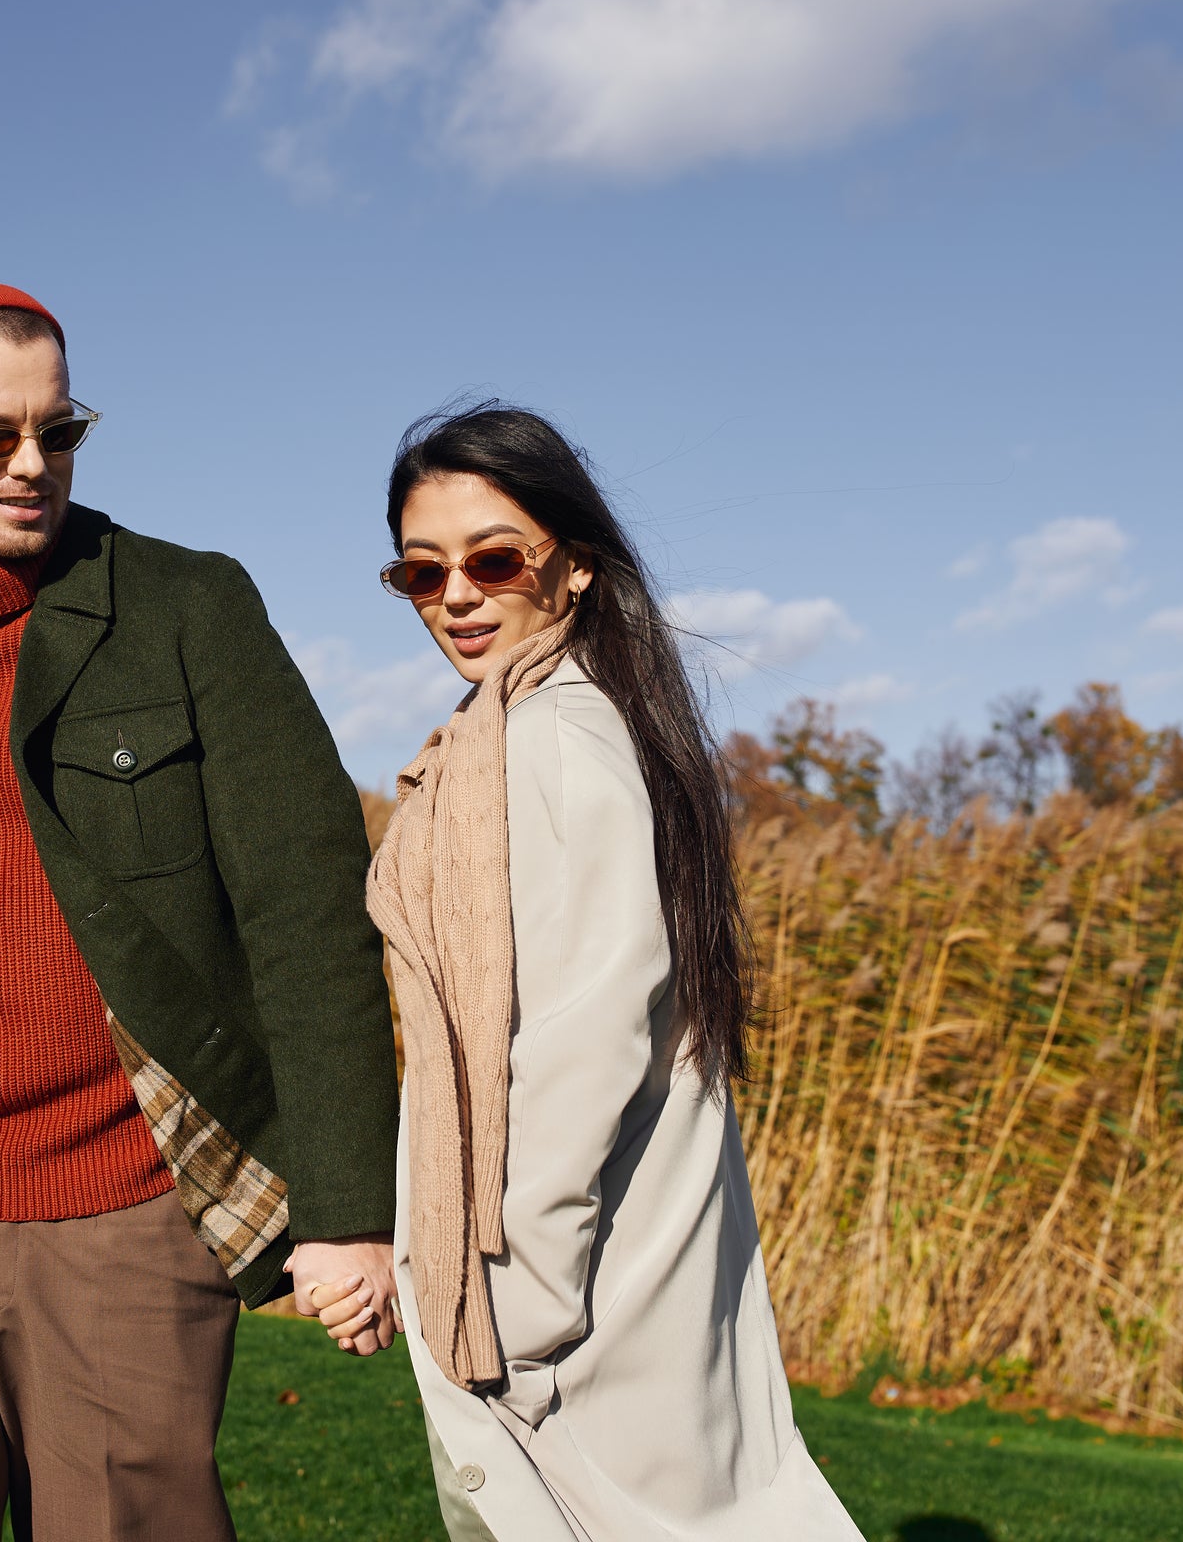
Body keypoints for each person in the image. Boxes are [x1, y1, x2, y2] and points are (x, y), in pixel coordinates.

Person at [0, 279, 401, 1542]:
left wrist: (348, 1207)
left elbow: (308, 916)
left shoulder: (186, 607)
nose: (32, 462)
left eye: (61, 427)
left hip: (126, 1219)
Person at [319, 402, 863, 1539]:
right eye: (423, 572)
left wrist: (521, 1292)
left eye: (495, 558)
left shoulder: (555, 737)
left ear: (571, 570)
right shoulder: (513, 727)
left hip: (566, 1284)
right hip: (569, 1262)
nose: (460, 594)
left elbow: (590, 1024)